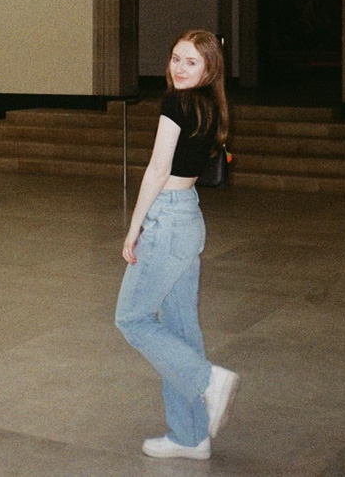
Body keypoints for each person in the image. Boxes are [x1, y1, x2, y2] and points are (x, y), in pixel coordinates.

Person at [115, 29, 240, 460]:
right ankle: (191, 437)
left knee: (132, 319)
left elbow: (156, 168)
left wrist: (134, 229)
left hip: (167, 219)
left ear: (209, 69)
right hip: (189, 216)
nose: (179, 68)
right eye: (175, 58)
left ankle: (207, 381)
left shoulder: (175, 103)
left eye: (191, 62)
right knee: (180, 330)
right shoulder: (210, 106)